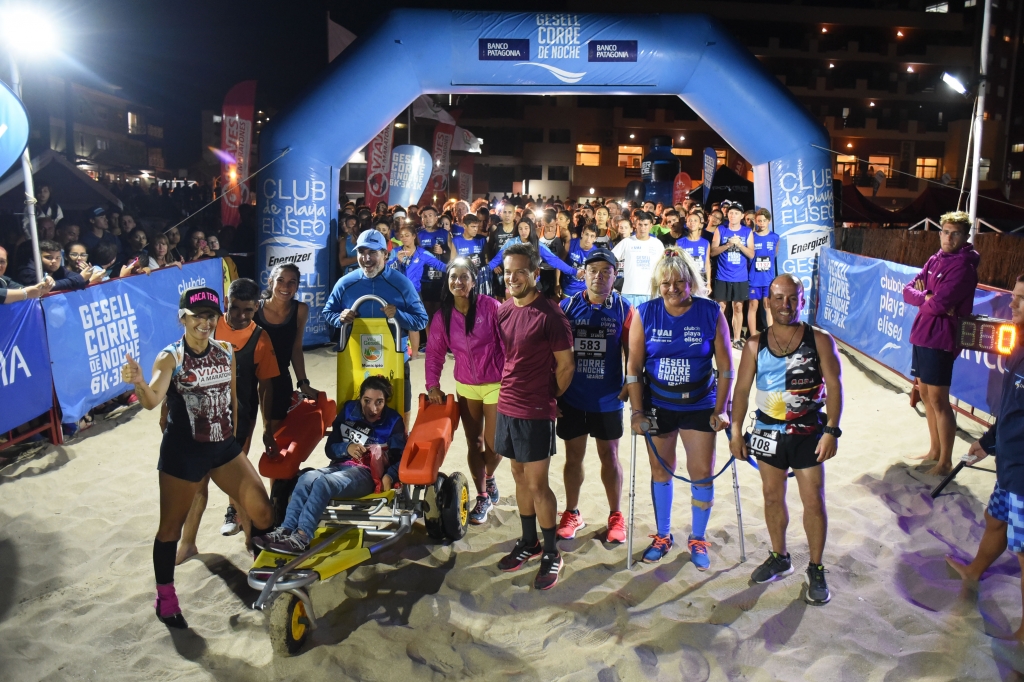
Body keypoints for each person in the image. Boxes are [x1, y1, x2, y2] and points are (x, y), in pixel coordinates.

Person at [120, 287, 275, 628]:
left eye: (210, 316)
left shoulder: (225, 351)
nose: (204, 322)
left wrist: (236, 441)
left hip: (223, 447)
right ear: (183, 318)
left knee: (263, 510)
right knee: (170, 529)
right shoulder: (171, 357)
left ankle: (267, 574)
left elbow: (232, 400)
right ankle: (166, 600)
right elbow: (152, 400)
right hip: (184, 453)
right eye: (197, 316)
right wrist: (139, 383)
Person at [729, 274, 843, 605]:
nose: (785, 305)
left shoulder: (819, 340)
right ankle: (780, 556)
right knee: (771, 497)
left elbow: (835, 386)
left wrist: (832, 430)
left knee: (813, 501)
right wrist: (736, 430)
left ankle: (816, 567)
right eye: (778, 298)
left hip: (808, 431)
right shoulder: (755, 344)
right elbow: (741, 390)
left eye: (793, 298)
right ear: (767, 302)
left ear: (802, 300)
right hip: (767, 431)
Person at [625, 247, 733, 569]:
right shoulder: (645, 313)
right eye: (665, 283)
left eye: (679, 282)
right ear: (657, 285)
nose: (672, 288)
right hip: (659, 404)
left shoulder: (711, 311)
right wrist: (637, 411)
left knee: (702, 473)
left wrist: (722, 408)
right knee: (661, 471)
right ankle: (663, 535)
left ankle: (698, 537)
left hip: (700, 404)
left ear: (691, 282)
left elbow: (727, 368)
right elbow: (633, 367)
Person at [176, 278, 281, 564]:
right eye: (235, 308)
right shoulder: (207, 327)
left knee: (236, 485)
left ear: (257, 307)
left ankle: (249, 540)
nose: (241, 315)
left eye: (248, 310)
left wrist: (267, 428)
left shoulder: (260, 339)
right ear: (226, 303)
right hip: (199, 419)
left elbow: (266, 386)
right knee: (198, 481)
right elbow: (180, 368)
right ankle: (188, 544)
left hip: (238, 422)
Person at [946, 274, 1024, 639]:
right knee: (994, 520)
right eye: (1014, 296)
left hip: (1022, 471)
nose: (1012, 303)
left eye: (1021, 299)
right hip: (1009, 462)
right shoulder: (1019, 344)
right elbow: (1010, 408)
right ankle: (974, 571)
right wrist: (988, 441)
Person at [494, 243, 575, 590]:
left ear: (535, 274)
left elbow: (566, 365)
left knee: (538, 483)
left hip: (535, 409)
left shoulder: (550, 315)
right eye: (508, 272)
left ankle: (552, 551)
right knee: (517, 474)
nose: (512, 278)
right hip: (507, 404)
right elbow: (509, 356)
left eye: (520, 272)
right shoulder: (504, 310)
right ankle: (529, 542)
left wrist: (548, 397)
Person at [254, 375, 405, 554]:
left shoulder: (393, 421)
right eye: (367, 401)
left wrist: (390, 476)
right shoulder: (349, 410)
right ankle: (286, 530)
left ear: (386, 401)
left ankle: (302, 537)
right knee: (306, 478)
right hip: (340, 465)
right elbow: (330, 448)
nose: (373, 408)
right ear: (360, 398)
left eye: (379, 402)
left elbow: (401, 457)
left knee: (322, 483)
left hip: (366, 473)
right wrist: (346, 448)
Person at [556, 248, 632, 543]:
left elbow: (633, 354)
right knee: (573, 457)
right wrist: (554, 394)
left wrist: (630, 385)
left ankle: (616, 515)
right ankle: (572, 512)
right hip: (573, 397)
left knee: (609, 456)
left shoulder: (624, 309)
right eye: (593, 270)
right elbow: (554, 354)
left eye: (605, 271)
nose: (598, 276)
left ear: (615, 275)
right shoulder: (567, 306)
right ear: (584, 274)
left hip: (607, 399)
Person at [425, 258, 505, 523]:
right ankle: (483, 495)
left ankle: (489, 477)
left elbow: (509, 343)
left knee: (495, 446)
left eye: (463, 277)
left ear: (473, 280)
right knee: (474, 443)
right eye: (453, 277)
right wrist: (433, 385)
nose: (457, 282)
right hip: (466, 386)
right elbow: (434, 354)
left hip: (496, 383)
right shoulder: (443, 316)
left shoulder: (490, 307)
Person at [903, 211, 980, 477]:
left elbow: (940, 304)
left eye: (955, 233)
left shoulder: (963, 266)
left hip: (941, 337)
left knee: (938, 399)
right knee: (925, 394)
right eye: (945, 232)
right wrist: (927, 296)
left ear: (965, 236)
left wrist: (927, 299)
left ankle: (945, 461)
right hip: (922, 333)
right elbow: (907, 291)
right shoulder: (935, 258)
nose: (948, 237)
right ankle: (934, 451)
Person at [323, 229, 429, 423]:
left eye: (372, 252)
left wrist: (398, 315)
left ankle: (401, 439)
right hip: (357, 362)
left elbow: (421, 320)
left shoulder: (401, 283)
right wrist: (340, 318)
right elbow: (328, 313)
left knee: (398, 415)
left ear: (385, 254)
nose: (366, 258)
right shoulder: (345, 283)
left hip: (394, 361)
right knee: (355, 416)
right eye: (361, 252)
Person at [256, 262, 320, 435]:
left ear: (297, 286)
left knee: (275, 434)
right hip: (251, 378)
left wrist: (303, 383)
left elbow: (296, 348)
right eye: (280, 280)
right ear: (270, 282)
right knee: (242, 435)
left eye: (292, 282)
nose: (286, 286)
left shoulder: (300, 310)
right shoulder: (254, 308)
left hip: (279, 377)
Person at [389, 224, 447, 359]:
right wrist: (397, 261)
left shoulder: (422, 253)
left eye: (407, 235)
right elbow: (386, 268)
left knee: (413, 324)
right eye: (401, 236)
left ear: (414, 236)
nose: (404, 238)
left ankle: (414, 356)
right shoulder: (395, 252)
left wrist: (458, 268)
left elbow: (440, 265)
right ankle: (398, 353)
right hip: (397, 293)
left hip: (414, 293)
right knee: (396, 322)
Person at [710, 203, 754, 347]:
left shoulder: (747, 231)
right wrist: (728, 245)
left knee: (738, 308)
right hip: (722, 275)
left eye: (736, 213)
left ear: (742, 216)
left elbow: (751, 254)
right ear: (727, 215)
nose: (733, 215)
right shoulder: (720, 229)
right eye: (730, 213)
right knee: (721, 308)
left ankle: (736, 339)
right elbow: (713, 252)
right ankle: (719, 338)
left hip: (740, 277)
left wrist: (739, 245)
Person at [612, 210, 666, 309]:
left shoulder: (657, 244)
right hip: (629, 292)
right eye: (640, 225)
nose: (643, 228)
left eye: (645, 225)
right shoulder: (627, 242)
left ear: (651, 226)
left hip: (651, 293)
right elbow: (610, 258)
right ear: (635, 225)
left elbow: (663, 266)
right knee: (629, 319)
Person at [417, 205, 451, 331]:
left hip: (441, 278)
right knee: (427, 312)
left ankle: (440, 338)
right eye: (424, 216)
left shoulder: (445, 233)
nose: (428, 218)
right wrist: (427, 252)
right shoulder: (419, 235)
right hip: (424, 278)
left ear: (436, 218)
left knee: (440, 311)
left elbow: (453, 255)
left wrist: (443, 252)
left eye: (430, 215)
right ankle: (429, 340)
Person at [747, 208, 780, 337]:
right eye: (759, 221)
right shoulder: (752, 236)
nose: (761, 223)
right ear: (756, 221)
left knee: (768, 306)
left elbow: (774, 255)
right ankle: (752, 336)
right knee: (753, 306)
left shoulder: (775, 237)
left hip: (768, 279)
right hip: (754, 278)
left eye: (764, 221)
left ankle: (771, 335)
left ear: (769, 221)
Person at [16, 240, 87, 291]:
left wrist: (84, 277)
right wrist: (81, 278)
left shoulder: (59, 270)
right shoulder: (27, 272)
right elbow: (49, 287)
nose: (54, 261)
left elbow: (77, 277)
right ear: (37, 258)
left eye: (57, 258)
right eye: (49, 257)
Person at [449, 214, 491, 296]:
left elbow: (487, 260)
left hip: (480, 276)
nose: (476, 229)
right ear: (465, 226)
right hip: (464, 278)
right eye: (473, 227)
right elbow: (452, 261)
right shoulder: (456, 240)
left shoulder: (482, 239)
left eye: (477, 227)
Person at [562, 224, 600, 298]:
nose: (588, 239)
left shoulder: (595, 253)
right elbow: (560, 262)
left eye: (592, 236)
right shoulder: (570, 243)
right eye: (586, 234)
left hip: (585, 289)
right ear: (582, 234)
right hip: (568, 286)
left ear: (595, 239)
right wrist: (557, 283)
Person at [676, 211, 711, 285]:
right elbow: (675, 262)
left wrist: (708, 284)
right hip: (685, 277)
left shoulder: (705, 243)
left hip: (701, 277)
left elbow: (707, 263)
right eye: (690, 220)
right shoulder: (679, 242)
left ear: (700, 225)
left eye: (695, 220)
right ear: (686, 224)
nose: (692, 223)